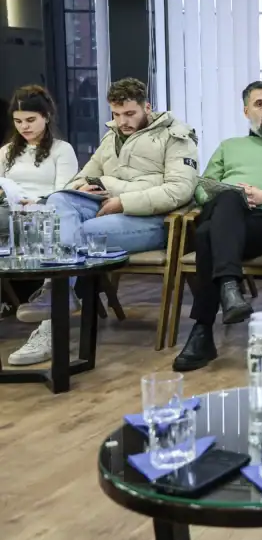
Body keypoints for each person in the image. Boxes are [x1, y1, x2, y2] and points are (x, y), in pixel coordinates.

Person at [11, 77, 199, 365]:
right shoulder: (111, 138)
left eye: (130, 113)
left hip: (150, 220)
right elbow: (80, 177)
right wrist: (83, 186)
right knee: (59, 200)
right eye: (116, 114)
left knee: (80, 235)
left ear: (147, 107)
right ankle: (57, 294)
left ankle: (50, 325)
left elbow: (179, 191)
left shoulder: (176, 137)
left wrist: (123, 200)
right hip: (104, 206)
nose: (122, 121)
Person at [172, 81, 262, 372]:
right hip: (227, 215)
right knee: (227, 198)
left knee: (206, 235)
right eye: (260, 104)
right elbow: (201, 189)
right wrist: (229, 194)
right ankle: (228, 289)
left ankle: (204, 329)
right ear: (246, 111)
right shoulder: (229, 146)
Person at [1, 86, 80, 366]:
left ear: (46, 116)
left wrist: (35, 201)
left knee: (54, 222)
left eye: (31, 120)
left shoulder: (62, 150)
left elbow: (65, 195)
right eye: (18, 121)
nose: (24, 127)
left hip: (47, 213)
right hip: (9, 214)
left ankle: (48, 329)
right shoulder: (6, 152)